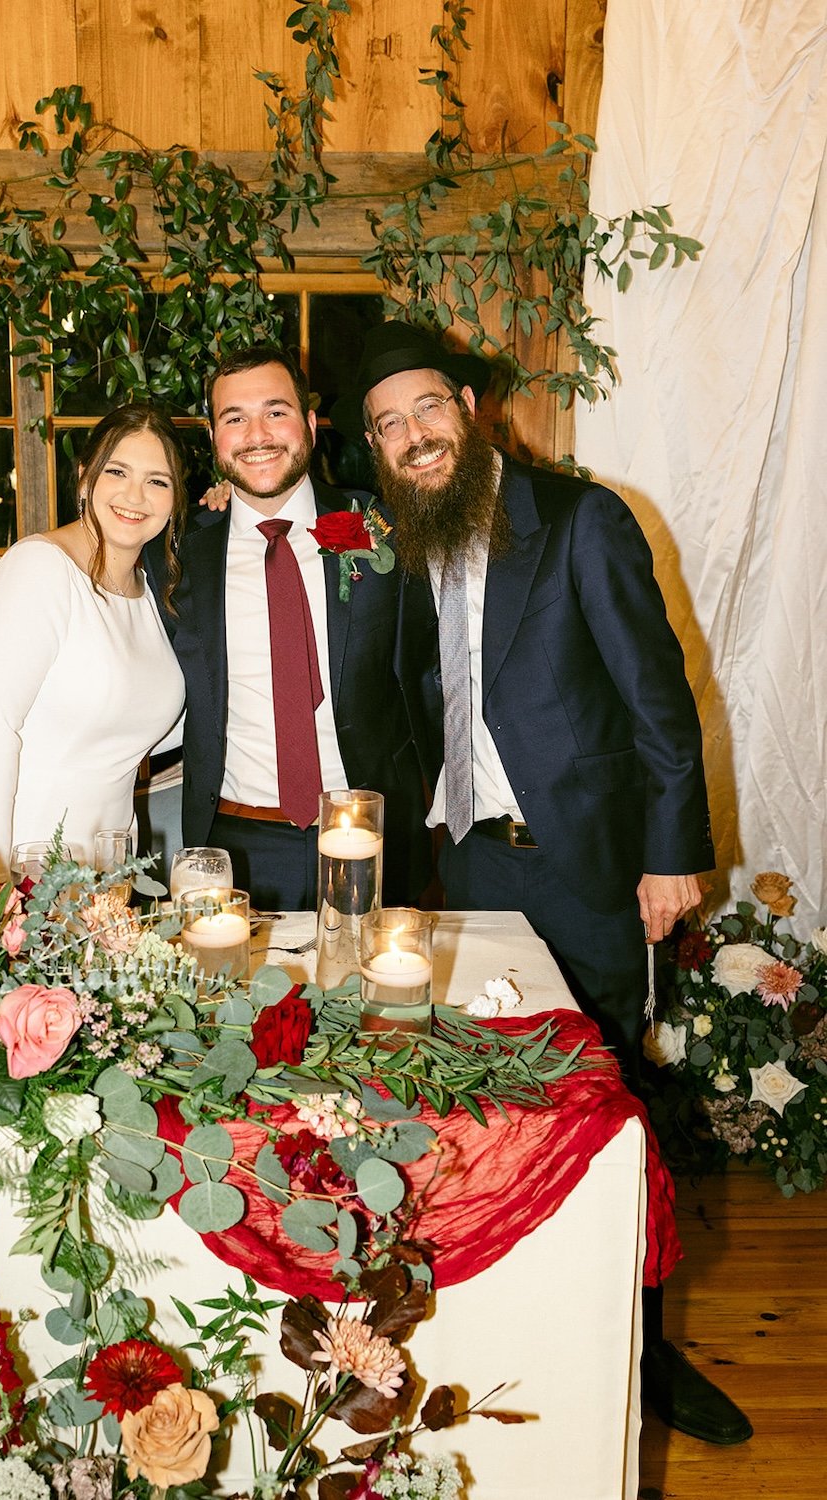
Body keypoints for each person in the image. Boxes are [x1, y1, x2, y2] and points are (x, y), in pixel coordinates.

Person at [330, 319, 752, 1447]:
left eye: (426, 409)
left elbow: (662, 706)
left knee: (613, 1116)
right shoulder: (404, 550)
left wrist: (672, 855)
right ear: (376, 451)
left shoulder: (580, 521)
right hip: (464, 869)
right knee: (487, 1112)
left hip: (584, 869)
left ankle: (642, 1348)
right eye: (387, 426)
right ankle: (534, 1317)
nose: (413, 436)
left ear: (470, 410)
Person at [144, 343, 428, 911]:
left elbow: (430, 673)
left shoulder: (381, 527)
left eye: (276, 411)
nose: (258, 434)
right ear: (212, 435)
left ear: (311, 424)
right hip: (234, 845)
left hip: (372, 836)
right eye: (234, 418)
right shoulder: (176, 556)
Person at [0, 403, 187, 880]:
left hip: (96, 868)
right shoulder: (38, 569)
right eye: (117, 472)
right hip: (6, 852)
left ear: (176, 499)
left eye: (157, 481)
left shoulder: (148, 592)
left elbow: (134, 723)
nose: (135, 495)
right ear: (84, 479)